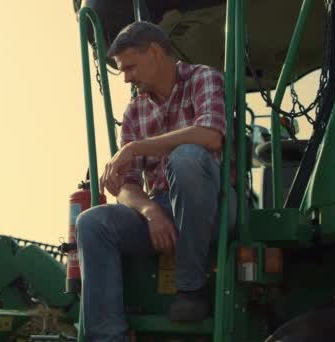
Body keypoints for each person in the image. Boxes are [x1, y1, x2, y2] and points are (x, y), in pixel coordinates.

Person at [76, 21, 236, 341]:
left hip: (214, 203)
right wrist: (150, 212)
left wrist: (134, 148)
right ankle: (109, 336)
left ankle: (190, 288)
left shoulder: (203, 78)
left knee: (187, 157)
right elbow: (127, 186)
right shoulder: (134, 112)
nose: (126, 77)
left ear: (154, 53)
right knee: (91, 222)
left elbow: (210, 136)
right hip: (162, 206)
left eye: (130, 67)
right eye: (122, 70)